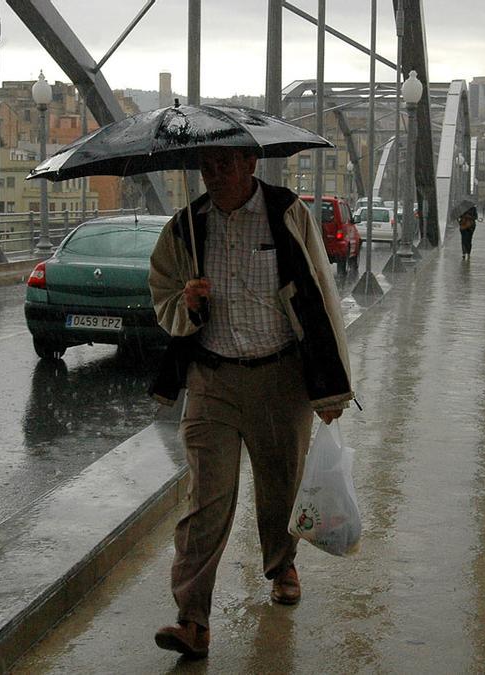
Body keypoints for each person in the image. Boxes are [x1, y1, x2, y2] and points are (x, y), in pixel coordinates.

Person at [147, 146, 354, 658]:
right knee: (206, 501)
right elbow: (162, 297)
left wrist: (331, 385)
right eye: (206, 167)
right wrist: (186, 305)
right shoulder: (186, 227)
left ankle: (281, 564)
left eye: (225, 165)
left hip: (279, 377)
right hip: (212, 379)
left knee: (279, 484)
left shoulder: (288, 214)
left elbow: (320, 294)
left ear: (250, 165)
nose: (214, 176)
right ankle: (192, 619)